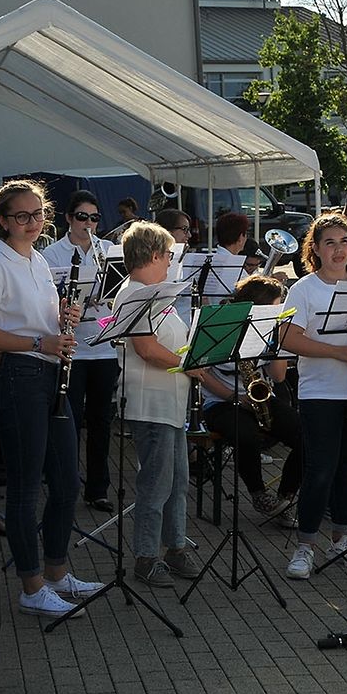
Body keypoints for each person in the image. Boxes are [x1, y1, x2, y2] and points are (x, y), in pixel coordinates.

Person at [0, 179, 106, 618]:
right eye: (22, 216)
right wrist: (38, 342)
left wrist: (63, 316)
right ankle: (31, 587)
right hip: (19, 377)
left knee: (66, 482)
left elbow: (37, 321)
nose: (32, 223)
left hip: (49, 375)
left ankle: (56, 573)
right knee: (26, 488)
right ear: (2, 221)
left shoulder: (39, 260)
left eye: (37, 214)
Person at [281, 213, 347, 579]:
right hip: (321, 391)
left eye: (344, 242)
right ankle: (305, 546)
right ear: (315, 249)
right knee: (321, 469)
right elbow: (288, 339)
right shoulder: (304, 289)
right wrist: (339, 352)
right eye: (330, 243)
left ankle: (341, 539)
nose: (339, 250)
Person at [116, 221, 203, 587]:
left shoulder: (155, 293)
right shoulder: (134, 295)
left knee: (177, 480)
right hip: (150, 403)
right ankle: (146, 556)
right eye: (168, 254)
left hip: (170, 403)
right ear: (153, 255)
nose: (170, 261)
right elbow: (147, 349)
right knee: (155, 484)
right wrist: (188, 363)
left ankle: (175, 547)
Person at [200, 275, 302, 520]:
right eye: (275, 306)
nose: (279, 310)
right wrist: (233, 396)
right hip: (220, 402)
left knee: (306, 436)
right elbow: (201, 373)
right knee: (247, 435)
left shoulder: (269, 328)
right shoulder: (220, 326)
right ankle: (258, 494)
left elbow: (278, 377)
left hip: (259, 396)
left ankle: (285, 498)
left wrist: (278, 341)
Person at [42, 190, 120, 512]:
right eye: (82, 217)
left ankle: (98, 489)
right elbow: (47, 302)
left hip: (103, 348)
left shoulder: (109, 250)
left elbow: (121, 293)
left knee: (101, 421)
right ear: (69, 218)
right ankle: (66, 484)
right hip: (73, 348)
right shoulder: (52, 254)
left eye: (94, 218)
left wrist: (111, 297)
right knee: (69, 420)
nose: (89, 224)